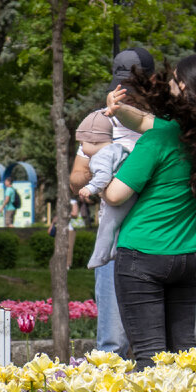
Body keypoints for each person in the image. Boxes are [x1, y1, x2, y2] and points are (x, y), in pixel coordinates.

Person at [103, 53, 196, 367]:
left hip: (143, 255)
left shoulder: (158, 140)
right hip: (186, 258)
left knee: (149, 358)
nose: (169, 83)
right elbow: (143, 121)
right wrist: (117, 110)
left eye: (173, 79)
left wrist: (100, 177)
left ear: (182, 86)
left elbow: (116, 195)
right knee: (184, 355)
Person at [71, 47, 154, 358]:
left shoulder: (164, 122)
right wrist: (103, 165)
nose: (126, 95)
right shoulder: (99, 121)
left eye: (134, 87)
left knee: (193, 330)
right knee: (113, 341)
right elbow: (76, 179)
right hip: (116, 239)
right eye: (121, 87)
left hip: (157, 234)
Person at [76, 109, 136, 276]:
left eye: (82, 144)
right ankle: (112, 251)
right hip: (132, 194)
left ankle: (99, 256)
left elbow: (103, 177)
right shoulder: (117, 149)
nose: (81, 148)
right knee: (117, 227)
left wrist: (90, 188)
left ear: (94, 141)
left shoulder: (99, 157)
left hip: (119, 196)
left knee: (107, 226)